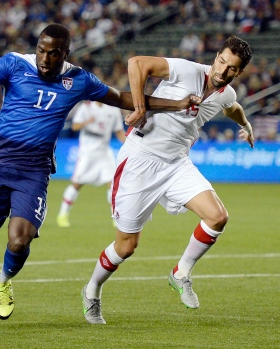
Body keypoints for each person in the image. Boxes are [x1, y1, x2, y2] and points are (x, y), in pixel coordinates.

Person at [0, 23, 201, 332]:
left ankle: (3, 280)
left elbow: (123, 98)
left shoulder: (78, 80)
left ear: (65, 53)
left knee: (19, 242)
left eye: (53, 53)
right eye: (41, 51)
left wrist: (177, 104)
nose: (45, 59)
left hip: (33, 170)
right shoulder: (14, 64)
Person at [81, 36, 255, 325]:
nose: (222, 71)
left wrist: (246, 126)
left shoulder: (225, 93)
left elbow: (232, 107)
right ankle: (92, 290)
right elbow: (137, 63)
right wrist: (139, 106)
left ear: (239, 72)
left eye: (231, 68)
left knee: (217, 216)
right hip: (140, 160)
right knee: (126, 247)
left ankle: (181, 273)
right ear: (216, 56)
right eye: (221, 61)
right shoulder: (186, 70)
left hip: (176, 165)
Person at [56, 101, 126, 228]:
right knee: (77, 184)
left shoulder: (113, 110)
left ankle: (116, 218)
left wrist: (128, 145)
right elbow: (74, 126)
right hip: (87, 153)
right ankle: (63, 214)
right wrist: (86, 122)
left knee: (113, 185)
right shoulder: (86, 108)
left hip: (104, 152)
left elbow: (119, 130)